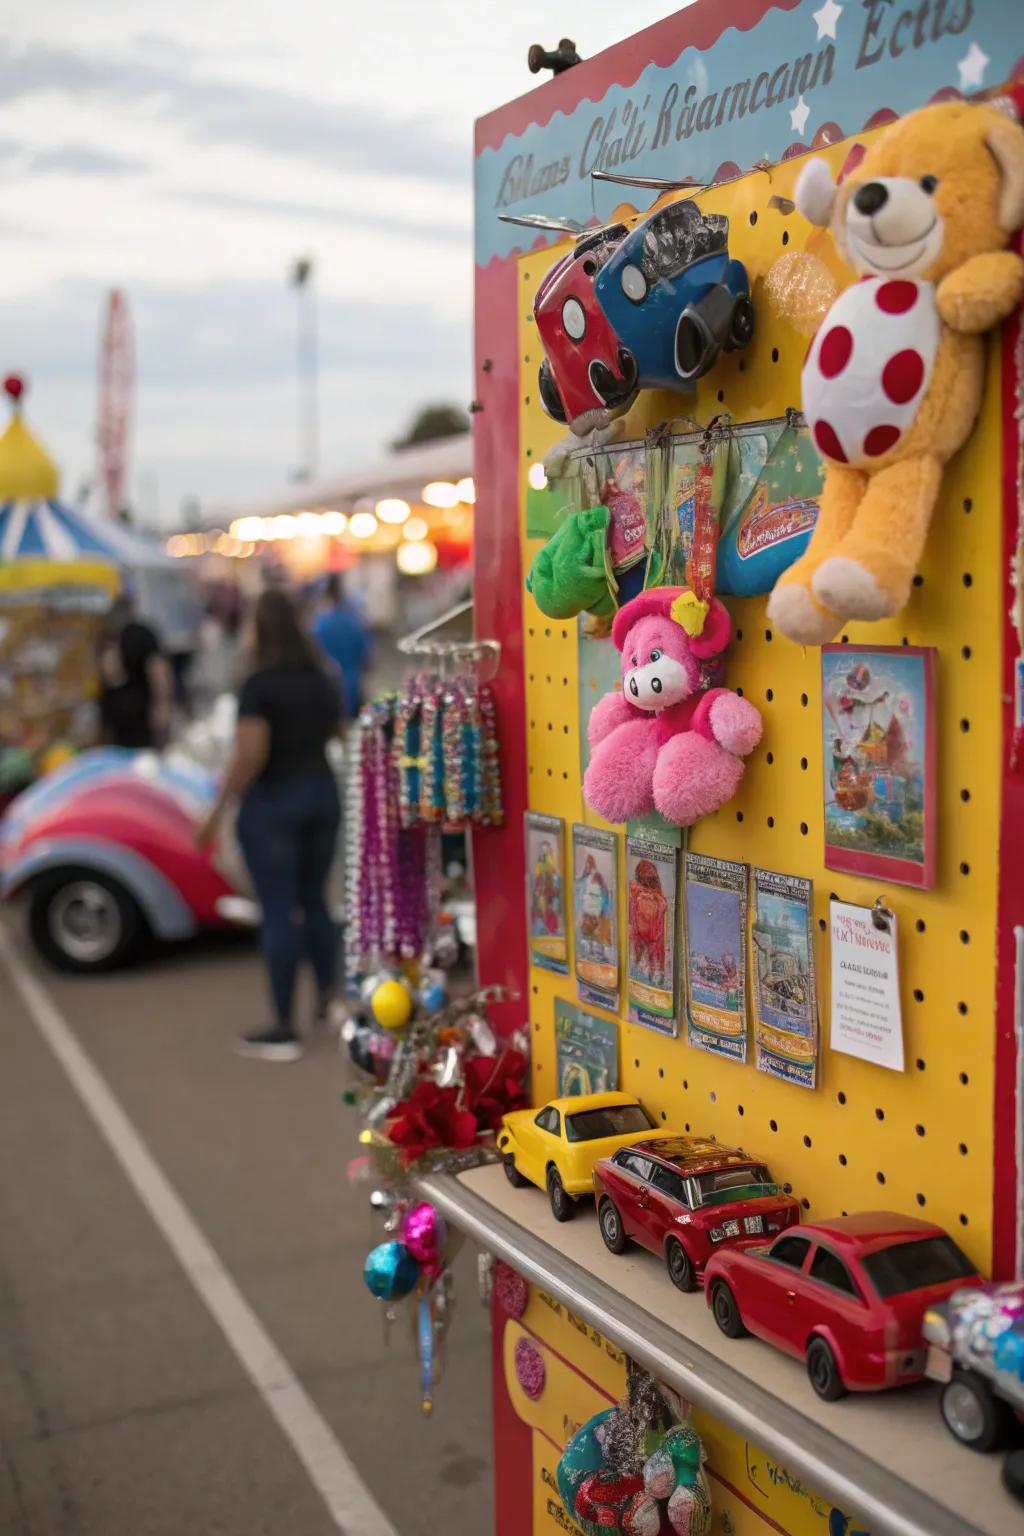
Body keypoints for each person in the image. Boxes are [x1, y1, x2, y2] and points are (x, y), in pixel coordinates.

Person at [196, 588, 342, 1061]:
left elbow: (250, 756)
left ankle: (283, 1027)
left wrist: (216, 812)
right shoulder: (322, 678)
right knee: (316, 901)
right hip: (321, 796)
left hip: (275, 806)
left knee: (278, 910)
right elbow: (339, 732)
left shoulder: (259, 685)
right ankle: (329, 1002)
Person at [98, 593, 173, 749]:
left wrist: (162, 706)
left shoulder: (141, 633)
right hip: (118, 722)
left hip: (139, 719)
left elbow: (158, 670)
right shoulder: (108, 637)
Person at [313, 573, 371, 720]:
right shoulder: (355, 623)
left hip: (326, 691)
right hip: (353, 687)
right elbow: (367, 659)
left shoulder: (320, 625)